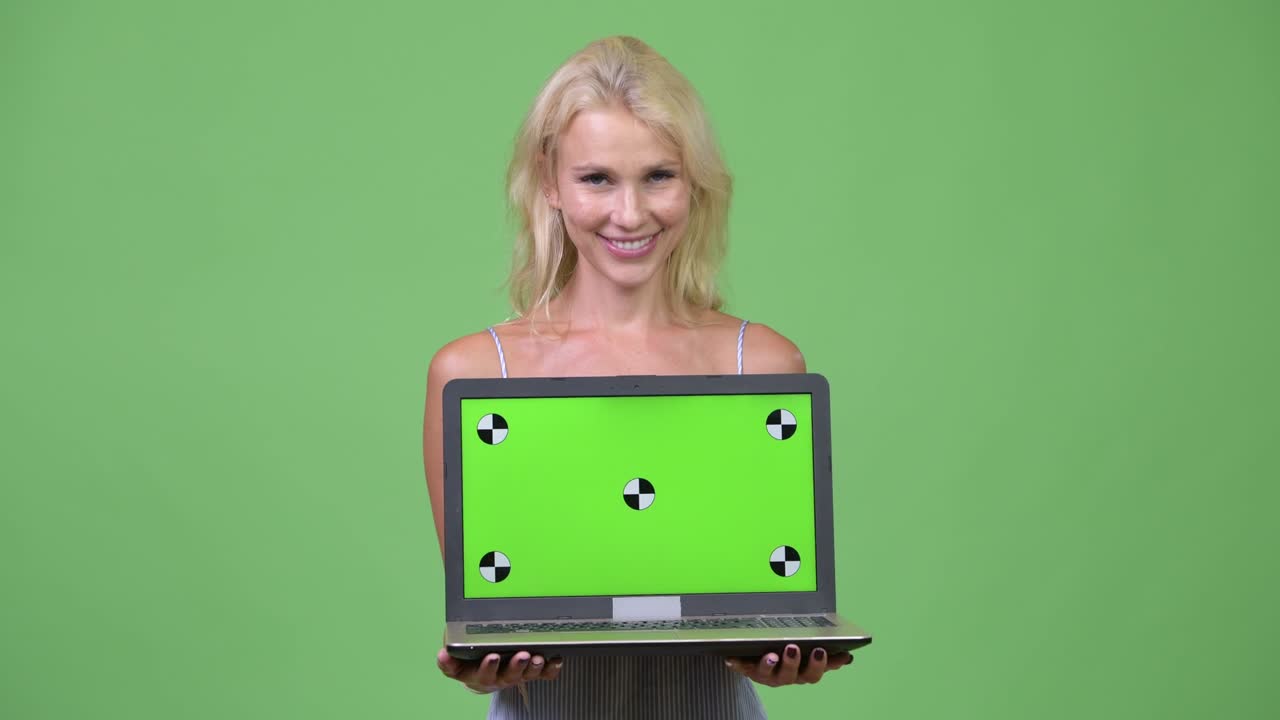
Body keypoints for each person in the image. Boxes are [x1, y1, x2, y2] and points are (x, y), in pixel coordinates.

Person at [424, 35, 852, 719]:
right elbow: (485, 611)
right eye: (597, 179)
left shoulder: (763, 364)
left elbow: (767, 592)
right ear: (549, 183)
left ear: (696, 182)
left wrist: (778, 652)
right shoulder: (473, 373)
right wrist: (483, 665)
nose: (631, 214)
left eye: (659, 175)